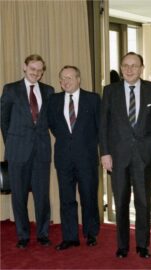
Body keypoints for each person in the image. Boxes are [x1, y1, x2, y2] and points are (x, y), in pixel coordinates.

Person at [100, 52, 151, 259]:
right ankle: (122, 246)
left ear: (141, 68)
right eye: (125, 65)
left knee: (143, 202)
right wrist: (105, 153)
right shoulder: (110, 91)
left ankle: (142, 245)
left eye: (134, 65)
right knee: (120, 202)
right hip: (118, 156)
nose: (129, 70)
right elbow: (103, 124)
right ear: (121, 68)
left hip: (143, 156)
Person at [0, 54, 54, 248]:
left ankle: (43, 234)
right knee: (19, 196)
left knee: (42, 196)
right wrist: (13, 143)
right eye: (32, 69)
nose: (36, 73)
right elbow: (3, 120)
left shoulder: (49, 91)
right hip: (17, 152)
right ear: (24, 67)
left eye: (40, 70)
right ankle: (23, 236)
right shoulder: (11, 89)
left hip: (41, 151)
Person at [47, 66, 101, 250]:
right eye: (62, 79)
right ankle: (70, 237)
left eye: (70, 78)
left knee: (89, 196)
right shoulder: (53, 100)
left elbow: (99, 128)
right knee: (66, 198)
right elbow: (54, 127)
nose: (66, 82)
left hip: (87, 157)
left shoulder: (93, 99)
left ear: (79, 79)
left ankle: (91, 233)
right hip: (63, 157)